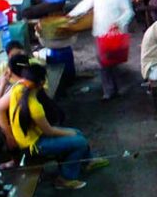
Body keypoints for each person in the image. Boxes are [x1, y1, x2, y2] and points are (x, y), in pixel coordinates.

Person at [8, 60, 108, 189]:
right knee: (80, 141)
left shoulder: (17, 89)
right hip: (34, 145)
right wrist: (68, 133)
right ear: (42, 83)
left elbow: (21, 81)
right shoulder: (35, 107)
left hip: (30, 138)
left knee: (77, 133)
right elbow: (49, 131)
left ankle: (87, 162)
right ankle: (65, 179)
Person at [68, 0, 134, 100]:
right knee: (103, 61)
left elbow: (129, 12)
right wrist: (71, 15)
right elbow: (85, 4)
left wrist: (119, 22)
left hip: (116, 34)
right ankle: (109, 91)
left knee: (113, 62)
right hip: (100, 32)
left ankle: (116, 88)